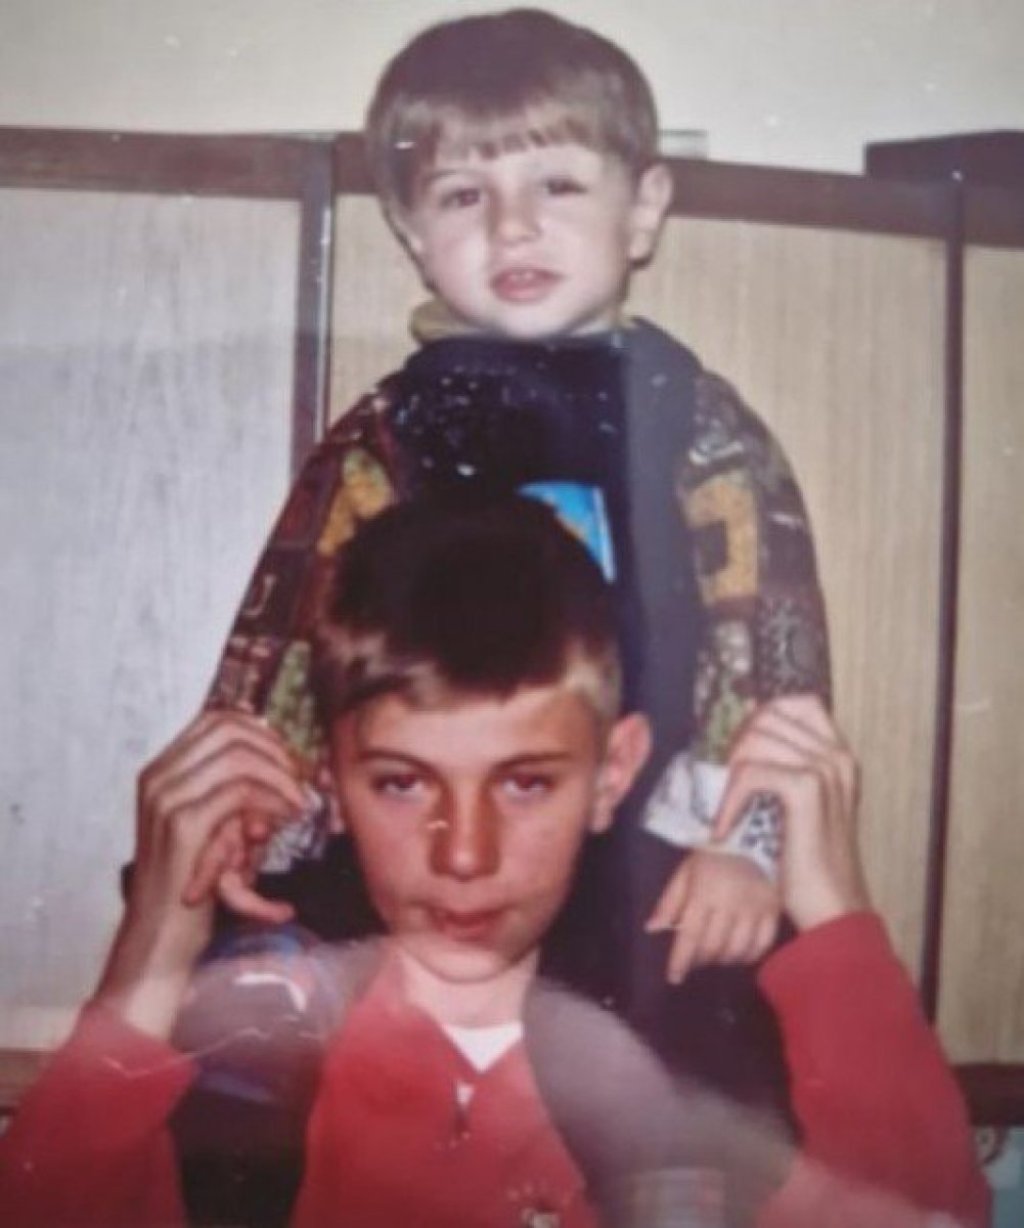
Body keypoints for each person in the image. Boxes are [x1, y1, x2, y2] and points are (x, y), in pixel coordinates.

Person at [0, 496, 986, 1228]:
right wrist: (155, 945)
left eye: (523, 784)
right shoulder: (259, 1057)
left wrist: (834, 914)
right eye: (401, 783)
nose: (464, 854)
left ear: (613, 775)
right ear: (328, 779)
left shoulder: (687, 1060)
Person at [204, 10, 832, 1045]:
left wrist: (743, 843)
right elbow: (286, 639)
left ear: (644, 210)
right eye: (464, 195)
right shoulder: (387, 432)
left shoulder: (693, 421)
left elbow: (768, 642)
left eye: (558, 186)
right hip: (420, 844)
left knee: (680, 1058)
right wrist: (255, 813)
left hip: (655, 847)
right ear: (412, 234)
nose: (512, 228)